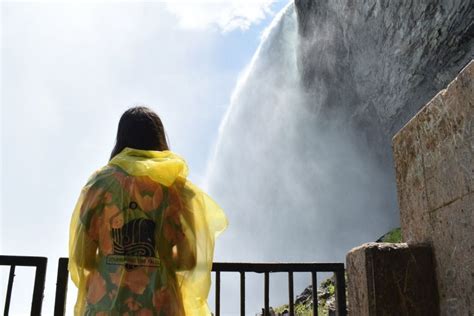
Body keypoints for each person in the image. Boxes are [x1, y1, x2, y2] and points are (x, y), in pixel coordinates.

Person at [69, 106, 228, 315]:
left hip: (105, 305)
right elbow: (188, 261)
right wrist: (155, 257)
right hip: (159, 306)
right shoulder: (176, 188)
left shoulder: (100, 184)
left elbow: (82, 258)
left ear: (121, 139)